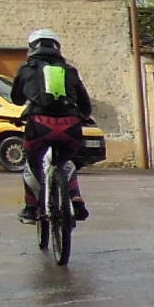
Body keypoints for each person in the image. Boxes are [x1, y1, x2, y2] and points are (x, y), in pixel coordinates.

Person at [12, 29, 93, 224]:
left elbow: (16, 99)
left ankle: (31, 208)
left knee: (33, 163)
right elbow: (86, 107)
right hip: (70, 126)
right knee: (66, 161)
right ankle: (75, 198)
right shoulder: (70, 71)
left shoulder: (27, 69)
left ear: (32, 48)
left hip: (40, 126)